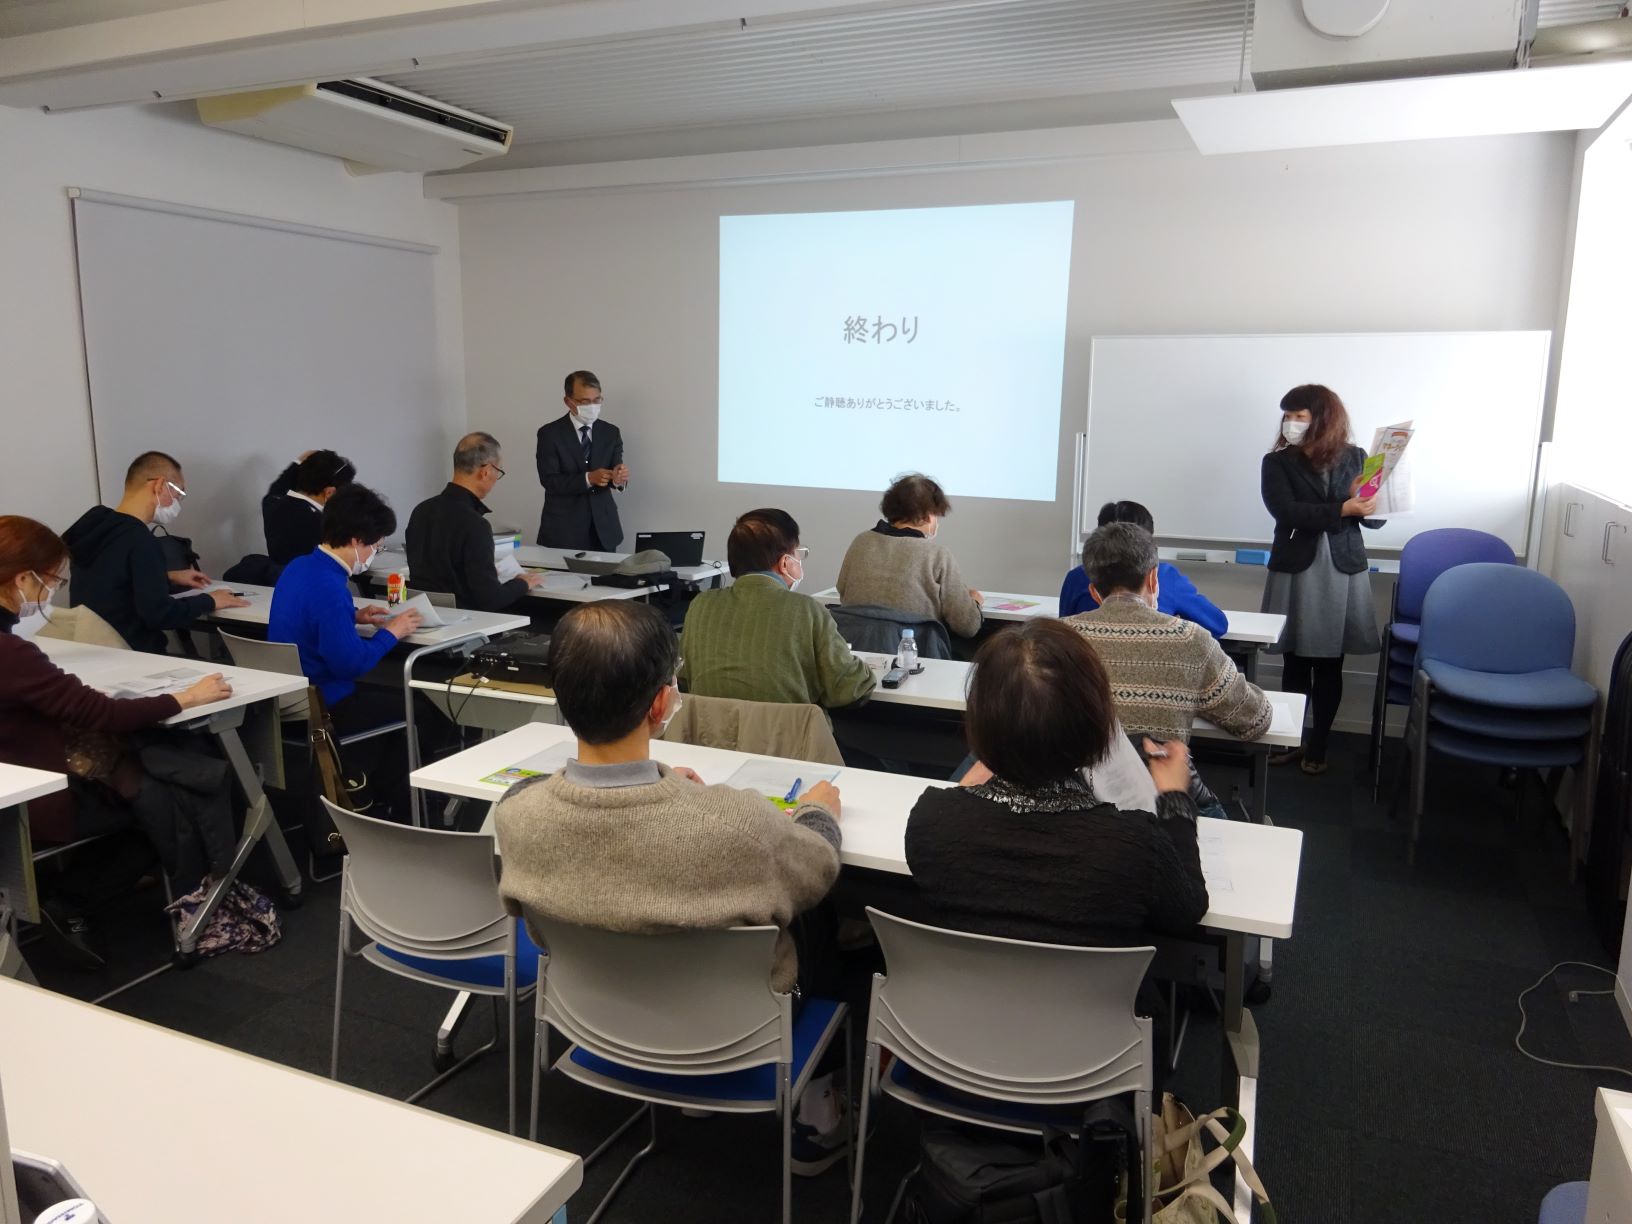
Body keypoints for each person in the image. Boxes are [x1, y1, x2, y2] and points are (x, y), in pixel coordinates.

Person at [494, 600, 851, 1172]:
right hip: (736, 1031)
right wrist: (818, 812)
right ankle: (819, 1111)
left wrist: (659, 783)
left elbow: (548, 799)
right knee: (821, 918)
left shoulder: (518, 816)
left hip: (592, 1020)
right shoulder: (739, 823)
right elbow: (819, 867)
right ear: (661, 703)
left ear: (558, 694)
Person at [0, 515, 237, 966]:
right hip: (30, 804)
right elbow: (104, 714)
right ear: (23, 579)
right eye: (52, 581)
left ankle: (56, 891)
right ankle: (67, 899)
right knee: (162, 807)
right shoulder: (11, 654)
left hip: (11, 785)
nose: (51, 593)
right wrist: (184, 698)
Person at [905, 617, 1208, 951]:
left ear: (979, 720)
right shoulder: (1133, 845)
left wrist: (966, 790)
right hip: (1090, 988)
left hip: (963, 986)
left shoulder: (929, 820)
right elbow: (1188, 909)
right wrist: (1175, 798)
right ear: (1095, 725)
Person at [268, 484, 425, 817]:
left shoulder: (299, 567)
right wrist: (392, 633)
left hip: (286, 697)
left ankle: (378, 793)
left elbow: (305, 614)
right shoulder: (331, 586)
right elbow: (350, 665)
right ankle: (393, 808)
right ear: (356, 540)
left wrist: (352, 615)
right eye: (376, 546)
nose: (374, 554)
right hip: (325, 702)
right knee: (420, 708)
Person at [1260, 384, 1383, 775]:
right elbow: (1287, 511)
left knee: (1331, 663)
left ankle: (1320, 743)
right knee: (1295, 661)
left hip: (1341, 567)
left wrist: (1369, 501)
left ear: (1323, 418)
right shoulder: (1276, 462)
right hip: (1297, 565)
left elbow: (1375, 520)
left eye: (1300, 416)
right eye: (1288, 416)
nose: (1291, 423)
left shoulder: (1359, 457)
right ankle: (1291, 739)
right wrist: (1343, 507)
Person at [1065, 523, 1272, 745]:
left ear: (1094, 592)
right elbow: (1256, 720)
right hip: (1158, 767)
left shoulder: (1059, 638)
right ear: (1153, 579)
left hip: (1077, 767)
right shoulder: (1190, 639)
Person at [680, 509, 875, 710]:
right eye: (798, 554)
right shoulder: (806, 610)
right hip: (789, 731)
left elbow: (683, 680)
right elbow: (848, 687)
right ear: (784, 563)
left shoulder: (700, 606)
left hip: (709, 729)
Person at [63, 451, 248, 653]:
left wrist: (166, 577)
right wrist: (210, 600)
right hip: (134, 653)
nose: (177, 504)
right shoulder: (140, 539)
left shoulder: (97, 527)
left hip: (91, 648)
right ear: (159, 485)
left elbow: (109, 584)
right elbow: (159, 614)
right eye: (178, 494)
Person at [406, 432, 547, 612]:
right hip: (468, 620)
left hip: (423, 615)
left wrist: (485, 572)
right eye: (498, 472)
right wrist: (522, 582)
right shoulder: (475, 524)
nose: (496, 478)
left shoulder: (421, 511)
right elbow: (491, 599)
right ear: (486, 471)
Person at [834, 473, 983, 640]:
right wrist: (975, 602)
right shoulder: (937, 555)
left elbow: (843, 593)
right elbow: (967, 626)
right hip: (915, 651)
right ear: (927, 515)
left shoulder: (861, 542)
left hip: (856, 647)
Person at [1058, 500, 1228, 637]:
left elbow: (1065, 631)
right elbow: (1217, 625)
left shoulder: (1076, 577)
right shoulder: (1165, 576)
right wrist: (1177, 625)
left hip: (1091, 668)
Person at [535, 370, 627, 551]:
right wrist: (588, 478)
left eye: (597, 400)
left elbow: (615, 470)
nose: (592, 406)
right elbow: (549, 481)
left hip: (604, 528)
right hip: (564, 530)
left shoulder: (611, 432)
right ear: (568, 401)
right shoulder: (550, 434)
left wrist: (618, 479)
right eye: (585, 401)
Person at [262, 449, 357, 565]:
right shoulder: (326, 528)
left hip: (279, 576)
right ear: (329, 492)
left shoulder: (271, 504)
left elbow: (278, 487)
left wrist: (297, 463)